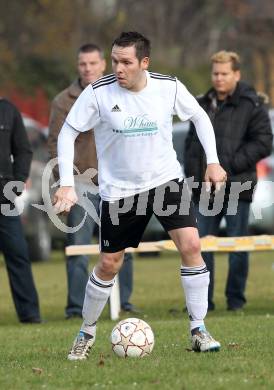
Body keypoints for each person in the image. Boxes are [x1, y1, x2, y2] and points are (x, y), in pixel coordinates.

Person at [54, 31, 227, 360]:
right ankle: (86, 331)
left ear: (144, 63)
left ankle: (199, 329)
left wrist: (214, 163)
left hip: (165, 181)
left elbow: (200, 117)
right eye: (115, 60)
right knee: (109, 263)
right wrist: (66, 183)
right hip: (120, 191)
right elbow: (68, 132)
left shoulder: (167, 86)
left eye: (126, 62)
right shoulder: (98, 93)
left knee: (191, 245)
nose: (118, 68)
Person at [48, 43, 135, 319]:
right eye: (83, 64)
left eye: (93, 63)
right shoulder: (64, 101)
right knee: (78, 249)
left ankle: (124, 303)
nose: (87, 68)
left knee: (124, 247)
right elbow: (55, 144)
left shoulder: (119, 93)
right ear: (78, 66)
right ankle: (76, 307)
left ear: (103, 64)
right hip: (81, 187)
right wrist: (67, 184)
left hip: (118, 184)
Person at [184, 51, 272, 311]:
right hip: (205, 190)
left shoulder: (253, 104)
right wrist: (194, 177)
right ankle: (204, 303)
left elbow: (263, 143)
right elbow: (191, 144)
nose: (219, 79)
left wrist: (226, 168)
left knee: (237, 244)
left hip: (238, 186)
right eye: (215, 73)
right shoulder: (202, 103)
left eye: (224, 74)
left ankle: (235, 301)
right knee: (201, 245)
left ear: (236, 74)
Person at [0, 98, 41, 323]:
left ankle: (30, 315)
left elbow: (24, 150)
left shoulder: (8, 110)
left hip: (3, 199)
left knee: (18, 255)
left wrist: (16, 182)